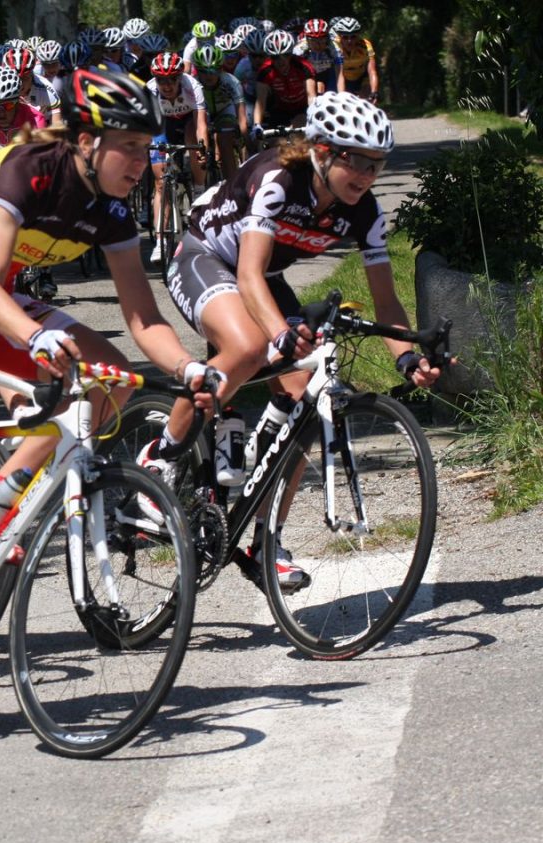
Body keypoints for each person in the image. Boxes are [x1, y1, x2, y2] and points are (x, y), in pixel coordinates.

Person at [0, 67, 216, 693]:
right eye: (129, 146)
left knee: (112, 383)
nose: (143, 161)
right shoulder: (26, 168)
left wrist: (189, 367)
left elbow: (142, 317)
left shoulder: (110, 210)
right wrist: (35, 337)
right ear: (85, 140)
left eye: (148, 147)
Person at [151, 92, 440, 590]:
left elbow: (385, 302)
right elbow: (246, 273)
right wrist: (281, 334)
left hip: (263, 274)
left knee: (308, 398)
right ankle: (159, 462)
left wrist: (407, 357)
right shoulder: (278, 179)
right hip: (204, 255)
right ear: (322, 151)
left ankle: (263, 540)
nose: (369, 176)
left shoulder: (366, 213)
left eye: (377, 165)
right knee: (243, 347)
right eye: (359, 162)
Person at [146, 51, 209, 263]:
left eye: (172, 79)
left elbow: (200, 124)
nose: (167, 85)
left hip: (187, 123)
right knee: (161, 183)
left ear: (180, 77)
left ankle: (199, 189)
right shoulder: (149, 92)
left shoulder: (193, 87)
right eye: (161, 80)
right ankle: (160, 241)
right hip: (162, 125)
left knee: (195, 141)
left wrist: (202, 149)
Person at [191, 45, 248, 180]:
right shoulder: (193, 84)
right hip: (203, 112)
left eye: (214, 70)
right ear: (197, 71)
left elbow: (241, 117)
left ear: (221, 69)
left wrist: (244, 136)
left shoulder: (231, 81)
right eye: (204, 71)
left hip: (225, 111)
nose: (209, 75)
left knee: (224, 138)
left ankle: (231, 183)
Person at [252, 30, 317, 140]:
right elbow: (260, 102)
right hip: (279, 110)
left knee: (299, 138)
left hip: (302, 109)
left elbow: (311, 96)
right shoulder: (265, 72)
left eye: (285, 55)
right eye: (275, 57)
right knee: (273, 143)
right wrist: (257, 125)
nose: (281, 61)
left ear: (291, 54)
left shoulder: (303, 67)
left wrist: (313, 119)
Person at [332, 17, 379, 102]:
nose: (349, 41)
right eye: (345, 37)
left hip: (360, 77)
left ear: (358, 36)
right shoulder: (335, 47)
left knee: (366, 103)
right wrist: (341, 97)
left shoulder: (366, 45)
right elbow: (340, 74)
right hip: (341, 77)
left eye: (353, 37)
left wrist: (374, 92)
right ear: (339, 36)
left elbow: (372, 71)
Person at [295, 19, 344, 95]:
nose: (317, 45)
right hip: (308, 73)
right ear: (307, 39)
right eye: (313, 40)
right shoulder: (299, 50)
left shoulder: (335, 48)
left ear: (327, 38)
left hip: (328, 72)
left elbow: (340, 74)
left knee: (332, 94)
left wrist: (342, 96)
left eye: (322, 40)